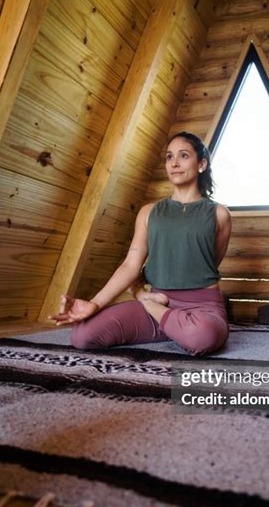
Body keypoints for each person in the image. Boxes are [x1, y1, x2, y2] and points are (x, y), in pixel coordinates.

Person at [48, 131, 232, 356]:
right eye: (169, 157)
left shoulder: (219, 214)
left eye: (183, 156)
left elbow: (210, 262)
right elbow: (130, 265)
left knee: (204, 336)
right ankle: (171, 324)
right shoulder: (149, 212)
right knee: (82, 336)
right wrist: (94, 304)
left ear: (201, 164)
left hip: (201, 308)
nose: (174, 163)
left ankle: (153, 308)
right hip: (160, 298)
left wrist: (141, 296)